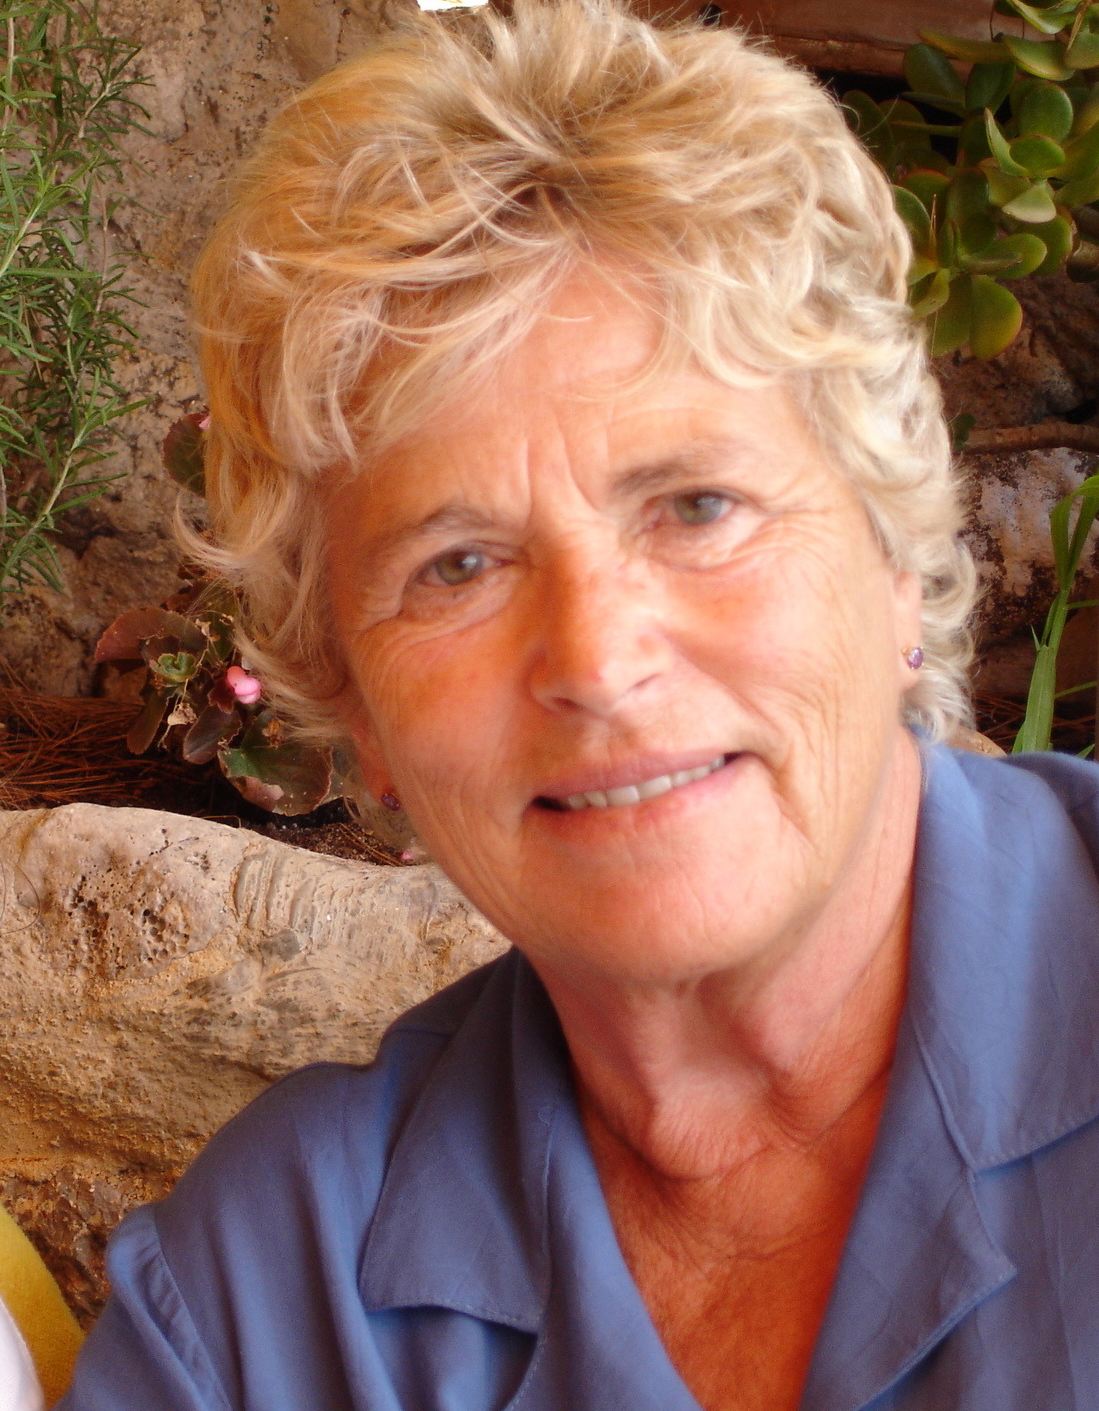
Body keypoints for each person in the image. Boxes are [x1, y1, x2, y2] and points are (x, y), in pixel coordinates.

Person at [60, 2, 1099, 1408]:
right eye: (457, 565)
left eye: (698, 506)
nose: (599, 662)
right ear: (355, 709)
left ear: (894, 556)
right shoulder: (267, 1311)